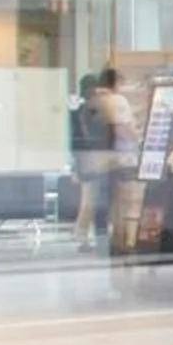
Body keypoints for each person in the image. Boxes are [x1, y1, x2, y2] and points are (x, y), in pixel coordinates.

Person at [86, 67, 136, 252]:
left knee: (102, 200)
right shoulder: (118, 101)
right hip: (120, 157)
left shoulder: (93, 101)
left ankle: (101, 239)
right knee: (122, 202)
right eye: (121, 82)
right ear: (115, 83)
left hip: (97, 158)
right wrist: (135, 142)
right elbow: (123, 128)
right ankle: (119, 241)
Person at [68, 73, 110, 247]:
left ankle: (83, 233)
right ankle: (81, 234)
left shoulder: (79, 110)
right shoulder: (88, 111)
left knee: (91, 199)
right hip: (91, 160)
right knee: (90, 200)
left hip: (87, 160)